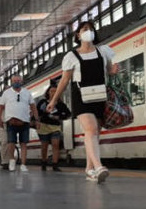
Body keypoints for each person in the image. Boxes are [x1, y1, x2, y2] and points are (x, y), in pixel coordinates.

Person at [48, 21, 117, 183]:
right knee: (91, 129)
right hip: (81, 98)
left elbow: (109, 70)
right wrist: (54, 100)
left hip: (99, 96)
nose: (89, 32)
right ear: (78, 35)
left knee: (94, 134)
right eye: (85, 30)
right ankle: (99, 166)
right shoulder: (71, 56)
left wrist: (113, 71)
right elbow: (64, 81)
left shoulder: (103, 51)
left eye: (91, 29)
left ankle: (89, 169)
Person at [0, 75, 38, 172]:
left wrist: (36, 119)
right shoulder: (6, 93)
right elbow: (0, 107)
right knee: (11, 143)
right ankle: (11, 160)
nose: (16, 82)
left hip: (25, 122)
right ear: (11, 82)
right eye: (14, 80)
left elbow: (33, 106)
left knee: (24, 143)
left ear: (22, 81)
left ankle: (23, 164)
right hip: (11, 121)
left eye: (18, 80)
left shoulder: (27, 93)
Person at [37, 84, 71, 171]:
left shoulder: (61, 105)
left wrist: (59, 117)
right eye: (51, 91)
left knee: (55, 145)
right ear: (48, 92)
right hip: (44, 127)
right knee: (44, 146)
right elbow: (37, 113)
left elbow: (68, 114)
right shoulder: (43, 103)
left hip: (55, 127)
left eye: (55, 91)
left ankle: (55, 164)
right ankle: (43, 162)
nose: (53, 93)